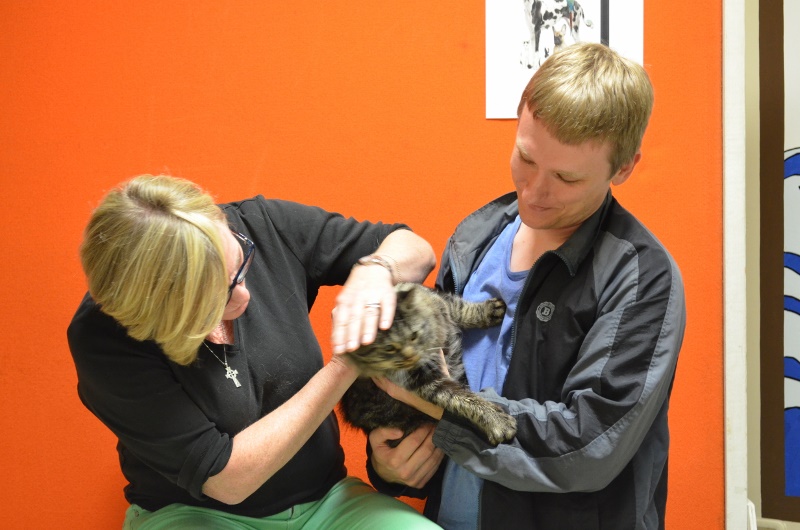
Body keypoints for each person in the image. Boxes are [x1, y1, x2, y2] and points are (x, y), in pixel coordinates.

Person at [366, 42, 687, 529]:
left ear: (624, 168)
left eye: (566, 177)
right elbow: (434, 397)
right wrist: (392, 467)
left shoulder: (642, 277)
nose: (535, 191)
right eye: (526, 158)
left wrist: (431, 399)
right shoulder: (474, 238)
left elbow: (588, 444)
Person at [67, 174, 443, 529]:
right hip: (194, 514)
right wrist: (346, 364)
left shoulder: (261, 223)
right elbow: (229, 481)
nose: (244, 296)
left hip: (326, 500)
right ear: (158, 315)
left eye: (241, 267)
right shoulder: (104, 339)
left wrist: (375, 270)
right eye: (213, 300)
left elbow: (415, 249)